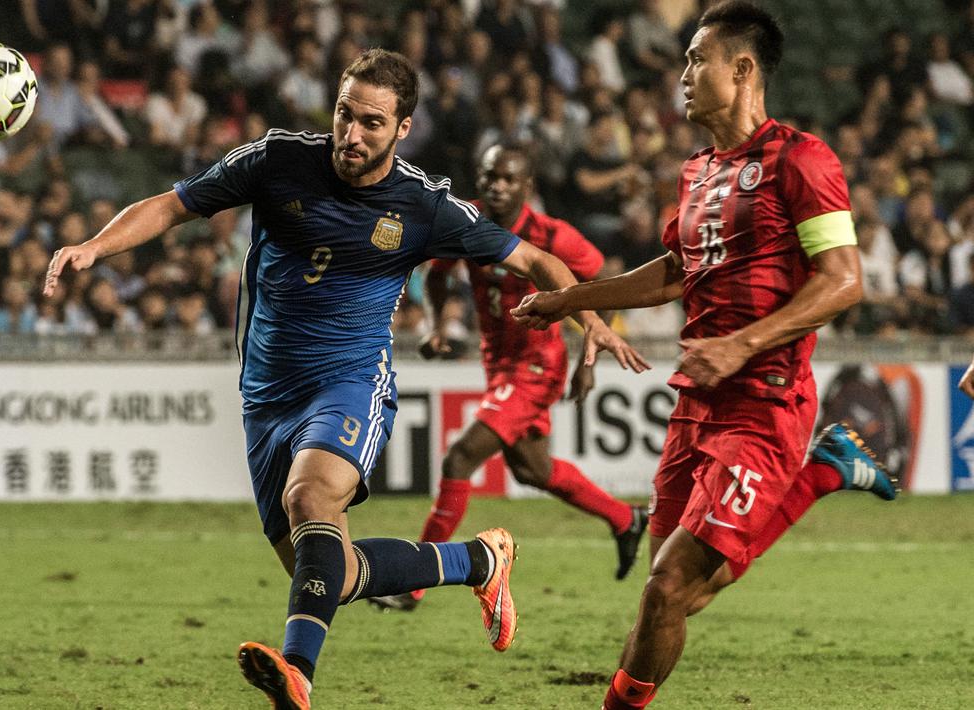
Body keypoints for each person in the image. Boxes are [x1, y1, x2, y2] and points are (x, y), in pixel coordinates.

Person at [44, 49, 647, 710]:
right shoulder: (275, 161)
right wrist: (94, 247)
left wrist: (588, 321)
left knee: (311, 501)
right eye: (343, 115)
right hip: (264, 396)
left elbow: (537, 259)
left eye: (370, 123)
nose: (351, 136)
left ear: (402, 128)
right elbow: (170, 205)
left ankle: (296, 673)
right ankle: (476, 561)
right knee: (325, 570)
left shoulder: (423, 205)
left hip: (350, 381)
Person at [511, 4, 898, 708]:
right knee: (677, 593)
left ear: (742, 69)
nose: (683, 75)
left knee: (666, 585)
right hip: (698, 405)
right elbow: (672, 272)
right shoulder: (696, 172)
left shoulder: (802, 158)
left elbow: (844, 280)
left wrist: (742, 343)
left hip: (766, 400)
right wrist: (570, 301)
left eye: (696, 59)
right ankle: (822, 474)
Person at [369, 144, 648, 616]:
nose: (497, 185)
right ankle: (627, 518)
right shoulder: (467, 220)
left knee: (459, 459)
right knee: (532, 469)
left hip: (537, 366)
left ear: (527, 186)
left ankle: (413, 586)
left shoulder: (550, 236)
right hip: (499, 363)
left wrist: (589, 355)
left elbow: (602, 280)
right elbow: (437, 273)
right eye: (489, 176)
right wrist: (438, 326)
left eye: (508, 178)